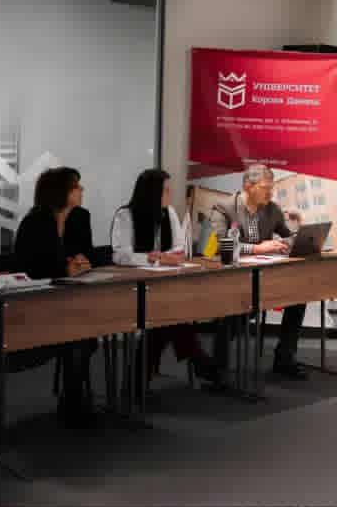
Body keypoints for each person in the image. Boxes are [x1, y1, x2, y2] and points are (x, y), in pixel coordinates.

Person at [111, 169, 221, 386]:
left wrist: (167, 257)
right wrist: (153, 258)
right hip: (135, 287)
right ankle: (199, 360)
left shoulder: (168, 212)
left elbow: (179, 247)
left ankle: (137, 382)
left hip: (166, 284)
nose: (170, 194)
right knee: (169, 316)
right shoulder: (125, 215)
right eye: (166, 190)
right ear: (152, 192)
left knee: (164, 319)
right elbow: (120, 254)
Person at [13, 166, 95, 424]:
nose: (81, 190)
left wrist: (81, 263)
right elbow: (30, 270)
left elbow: (86, 254)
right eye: (76, 186)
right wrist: (65, 269)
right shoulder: (35, 223)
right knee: (80, 335)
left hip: (64, 300)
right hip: (33, 303)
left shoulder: (79, 218)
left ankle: (73, 400)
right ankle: (73, 403)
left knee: (87, 329)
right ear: (61, 192)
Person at [209, 164, 307, 379]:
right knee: (231, 312)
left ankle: (284, 358)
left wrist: (293, 237)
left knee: (299, 297)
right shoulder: (224, 207)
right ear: (248, 186)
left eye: (272, 188)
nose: (270, 193)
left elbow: (288, 237)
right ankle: (218, 369)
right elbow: (220, 245)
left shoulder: (272, 209)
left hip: (265, 278)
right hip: (234, 280)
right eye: (265, 188)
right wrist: (257, 248)